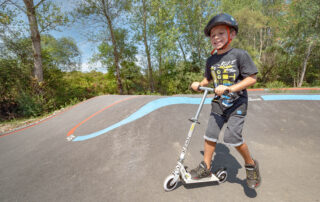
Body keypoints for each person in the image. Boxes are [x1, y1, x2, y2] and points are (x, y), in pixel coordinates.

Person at [190, 13, 261, 189]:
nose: (216, 38)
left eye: (221, 33)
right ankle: (206, 167)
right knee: (210, 134)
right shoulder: (211, 60)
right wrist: (199, 84)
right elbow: (209, 79)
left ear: (232, 34)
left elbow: (251, 78)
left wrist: (230, 88)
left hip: (237, 103)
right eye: (213, 35)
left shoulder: (239, 55)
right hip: (218, 103)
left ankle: (251, 164)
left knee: (232, 137)